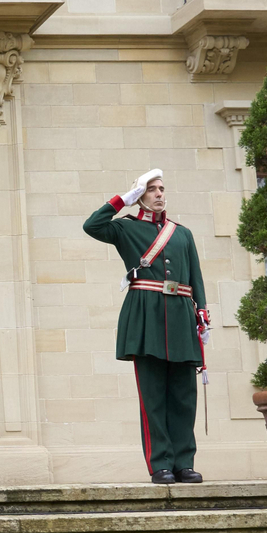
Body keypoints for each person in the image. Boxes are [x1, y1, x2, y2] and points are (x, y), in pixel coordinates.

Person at [82, 168, 211, 484]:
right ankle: (160, 464)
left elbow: (195, 278)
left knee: (184, 396)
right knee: (152, 398)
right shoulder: (126, 229)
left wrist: (203, 314)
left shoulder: (182, 233)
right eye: (151, 189)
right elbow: (92, 225)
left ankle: (183, 462)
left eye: (162, 188)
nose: (159, 194)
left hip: (181, 317)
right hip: (145, 318)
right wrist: (123, 199)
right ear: (140, 195)